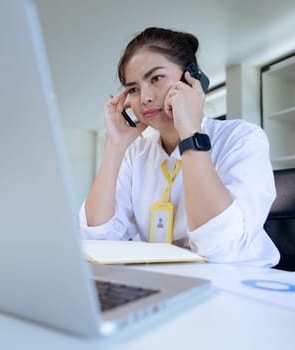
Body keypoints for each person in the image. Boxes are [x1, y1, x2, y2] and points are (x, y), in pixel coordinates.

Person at [79, 27, 280, 266]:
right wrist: (115, 147)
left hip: (239, 281)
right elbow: (98, 238)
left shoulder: (242, 138)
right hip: (170, 282)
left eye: (156, 78)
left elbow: (221, 249)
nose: (144, 97)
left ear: (192, 78)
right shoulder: (137, 154)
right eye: (133, 89)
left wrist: (190, 131)